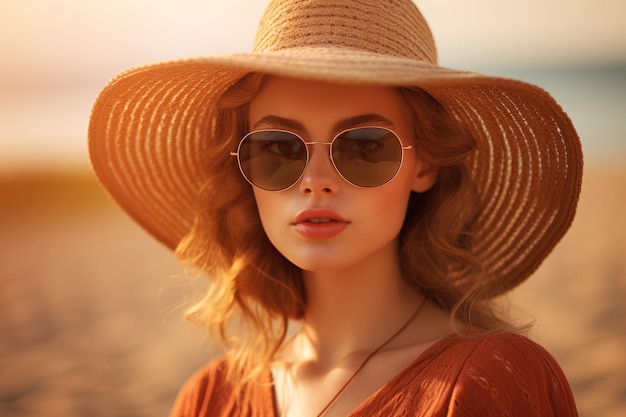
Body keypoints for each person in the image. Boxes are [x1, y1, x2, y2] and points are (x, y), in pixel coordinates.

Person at [88, 0, 583, 415]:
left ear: (424, 165)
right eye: (279, 148)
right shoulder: (211, 397)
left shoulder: (488, 380)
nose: (316, 182)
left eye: (365, 146)